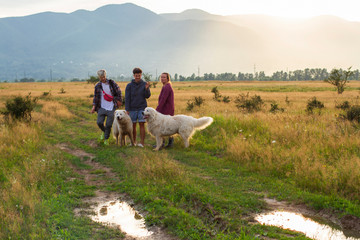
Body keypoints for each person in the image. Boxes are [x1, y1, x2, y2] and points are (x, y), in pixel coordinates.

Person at [91, 69, 122, 145]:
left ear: (105, 75)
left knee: (108, 124)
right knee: (99, 122)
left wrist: (119, 101)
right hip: (101, 107)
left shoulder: (111, 83)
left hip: (111, 106)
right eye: (101, 77)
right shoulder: (97, 86)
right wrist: (94, 106)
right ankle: (104, 132)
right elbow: (95, 97)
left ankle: (106, 139)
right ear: (99, 77)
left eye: (104, 77)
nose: (103, 78)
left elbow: (119, 92)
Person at [125, 67, 151, 147]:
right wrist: (127, 109)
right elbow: (127, 98)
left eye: (139, 75)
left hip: (142, 108)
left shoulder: (144, 84)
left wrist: (146, 89)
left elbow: (147, 96)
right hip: (132, 108)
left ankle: (142, 143)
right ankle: (133, 142)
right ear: (133, 76)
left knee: (142, 125)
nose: (137, 77)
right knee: (133, 126)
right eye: (136, 75)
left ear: (141, 75)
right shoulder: (129, 86)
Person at [156, 72, 175, 148]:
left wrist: (156, 110)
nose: (162, 79)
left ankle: (167, 143)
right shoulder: (165, 86)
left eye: (164, 77)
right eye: (161, 77)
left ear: (168, 78)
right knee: (166, 126)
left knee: (166, 126)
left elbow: (163, 100)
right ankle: (164, 143)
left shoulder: (167, 87)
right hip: (165, 109)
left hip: (166, 110)